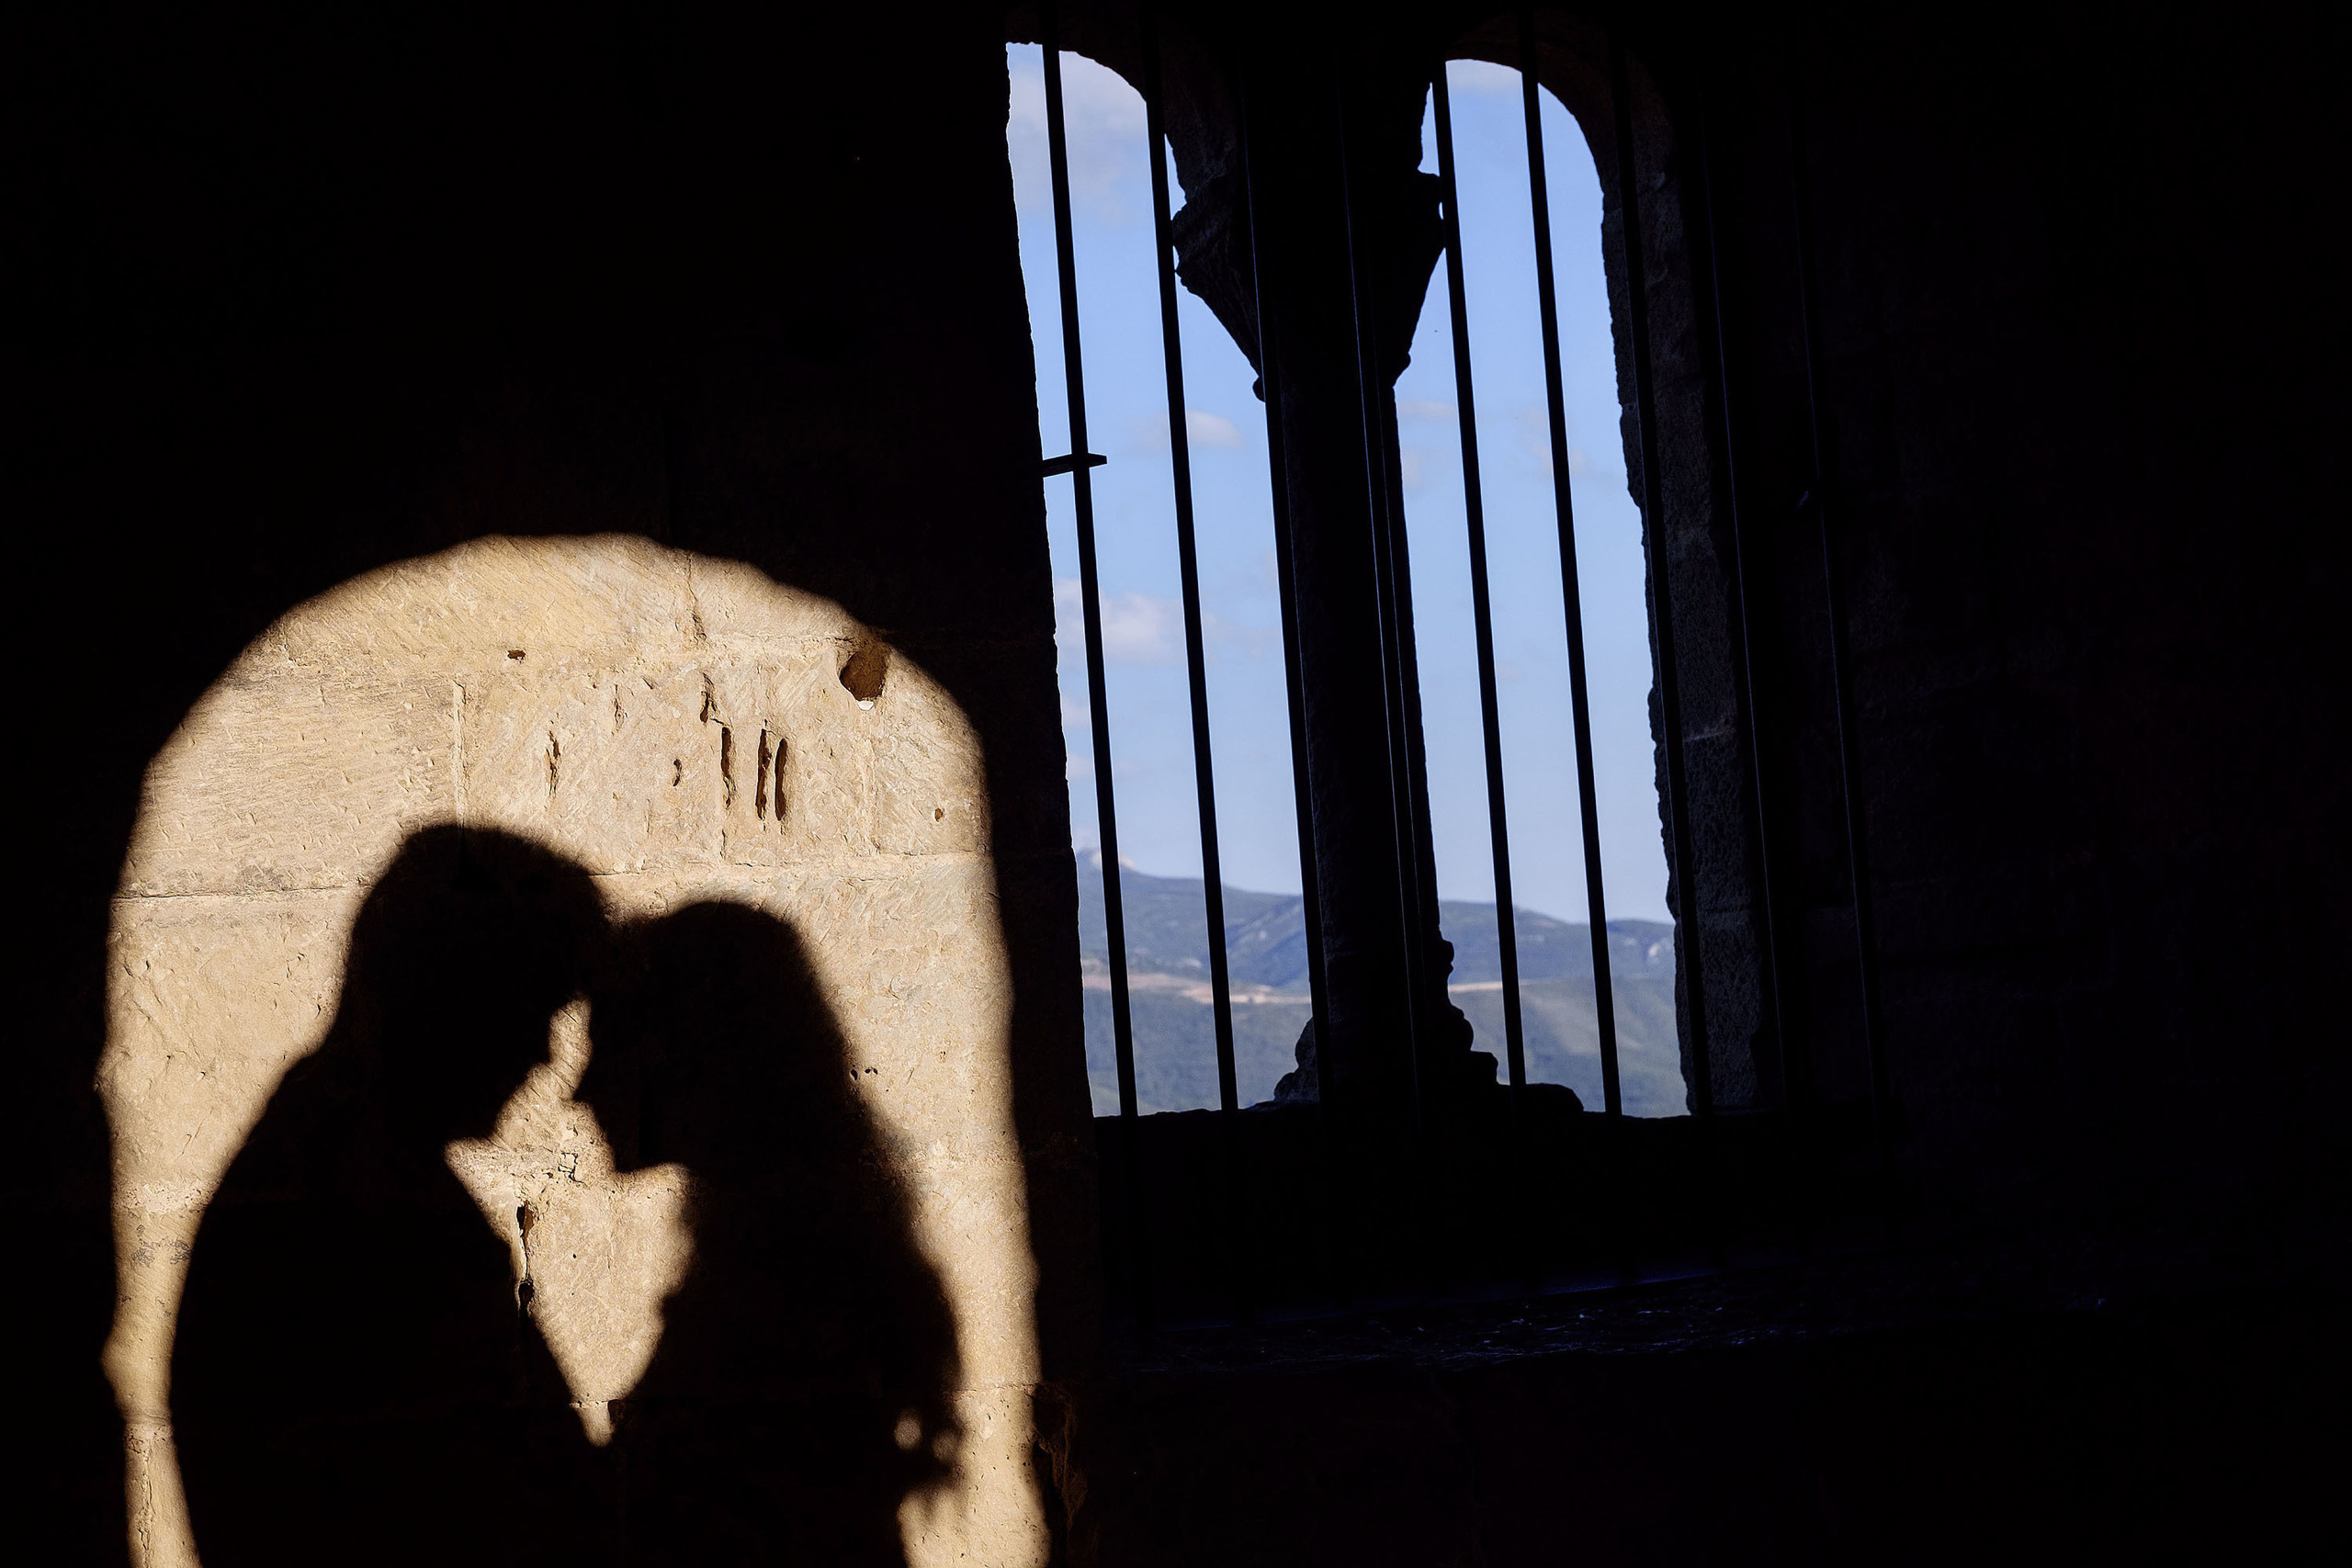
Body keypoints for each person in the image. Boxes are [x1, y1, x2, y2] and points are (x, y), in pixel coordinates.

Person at [171, 826, 616, 1567]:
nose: (545, 1053)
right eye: (535, 1007)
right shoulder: (359, 1213)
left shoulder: (343, 1167)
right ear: (458, 999)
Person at [577, 900, 961, 1568]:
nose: (579, 1087)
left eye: (609, 1037)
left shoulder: (776, 1294)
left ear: (693, 1054)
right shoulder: (794, 1257)